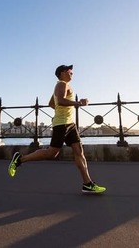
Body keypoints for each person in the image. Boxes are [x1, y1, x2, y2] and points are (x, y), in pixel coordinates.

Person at [8, 64, 106, 194]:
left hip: (70, 124)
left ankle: (87, 183)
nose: (72, 72)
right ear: (62, 72)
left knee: (79, 151)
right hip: (62, 125)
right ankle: (19, 159)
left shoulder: (63, 85)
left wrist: (63, 112)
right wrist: (79, 103)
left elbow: (52, 103)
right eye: (69, 70)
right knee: (52, 153)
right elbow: (60, 101)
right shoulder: (61, 84)